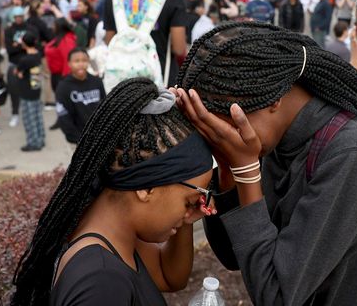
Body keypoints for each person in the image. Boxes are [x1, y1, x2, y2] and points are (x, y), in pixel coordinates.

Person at [174, 21, 357, 306]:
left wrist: (246, 171)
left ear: (274, 97)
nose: (224, 135)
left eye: (225, 119)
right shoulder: (275, 136)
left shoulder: (354, 152)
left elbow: (278, 296)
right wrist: (229, 169)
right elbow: (234, 255)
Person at [13, 78, 214, 305]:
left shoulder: (114, 231)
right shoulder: (100, 283)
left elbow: (170, 278)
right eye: (188, 202)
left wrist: (184, 218)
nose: (191, 211)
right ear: (146, 189)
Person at [55, 49, 105, 144]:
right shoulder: (64, 86)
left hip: (99, 136)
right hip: (78, 139)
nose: (81, 64)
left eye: (84, 60)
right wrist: (79, 140)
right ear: (69, 63)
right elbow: (63, 117)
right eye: (76, 61)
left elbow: (105, 107)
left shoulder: (97, 81)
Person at [15, 32, 45, 152]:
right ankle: (41, 138)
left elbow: (18, 72)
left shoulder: (25, 60)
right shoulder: (38, 54)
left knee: (29, 118)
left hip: (26, 91)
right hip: (36, 89)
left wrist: (20, 73)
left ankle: (33, 142)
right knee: (38, 116)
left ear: (24, 43)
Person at [45, 18, 77, 92]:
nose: (52, 27)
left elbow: (68, 59)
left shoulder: (66, 40)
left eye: (54, 25)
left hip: (62, 76)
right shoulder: (59, 38)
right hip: (55, 75)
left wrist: (66, 79)